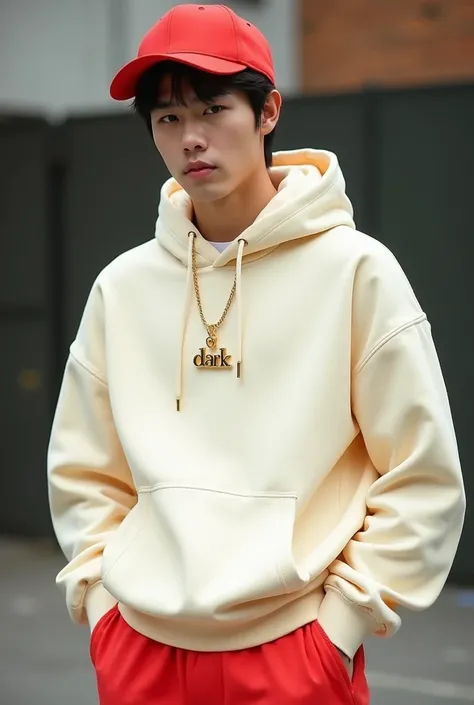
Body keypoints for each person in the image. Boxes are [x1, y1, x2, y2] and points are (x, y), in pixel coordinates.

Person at [47, 4, 466, 705]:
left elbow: (422, 474)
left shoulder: (356, 271)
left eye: (213, 109)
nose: (192, 139)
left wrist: (340, 627)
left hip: (294, 648)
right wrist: (101, 609)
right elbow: (84, 469)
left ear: (268, 110)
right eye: (168, 119)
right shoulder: (122, 288)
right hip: (141, 650)